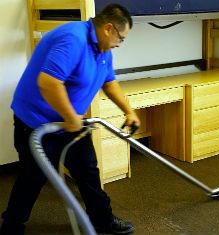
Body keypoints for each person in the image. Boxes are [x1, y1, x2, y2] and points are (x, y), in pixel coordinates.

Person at [0, 3, 140, 235]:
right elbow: (48, 82)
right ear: (108, 28)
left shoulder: (104, 51)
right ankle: (12, 227)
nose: (119, 44)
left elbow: (109, 82)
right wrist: (69, 116)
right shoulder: (73, 39)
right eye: (121, 38)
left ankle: (102, 220)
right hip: (37, 123)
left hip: (71, 122)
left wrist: (129, 111)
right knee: (32, 178)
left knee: (88, 172)